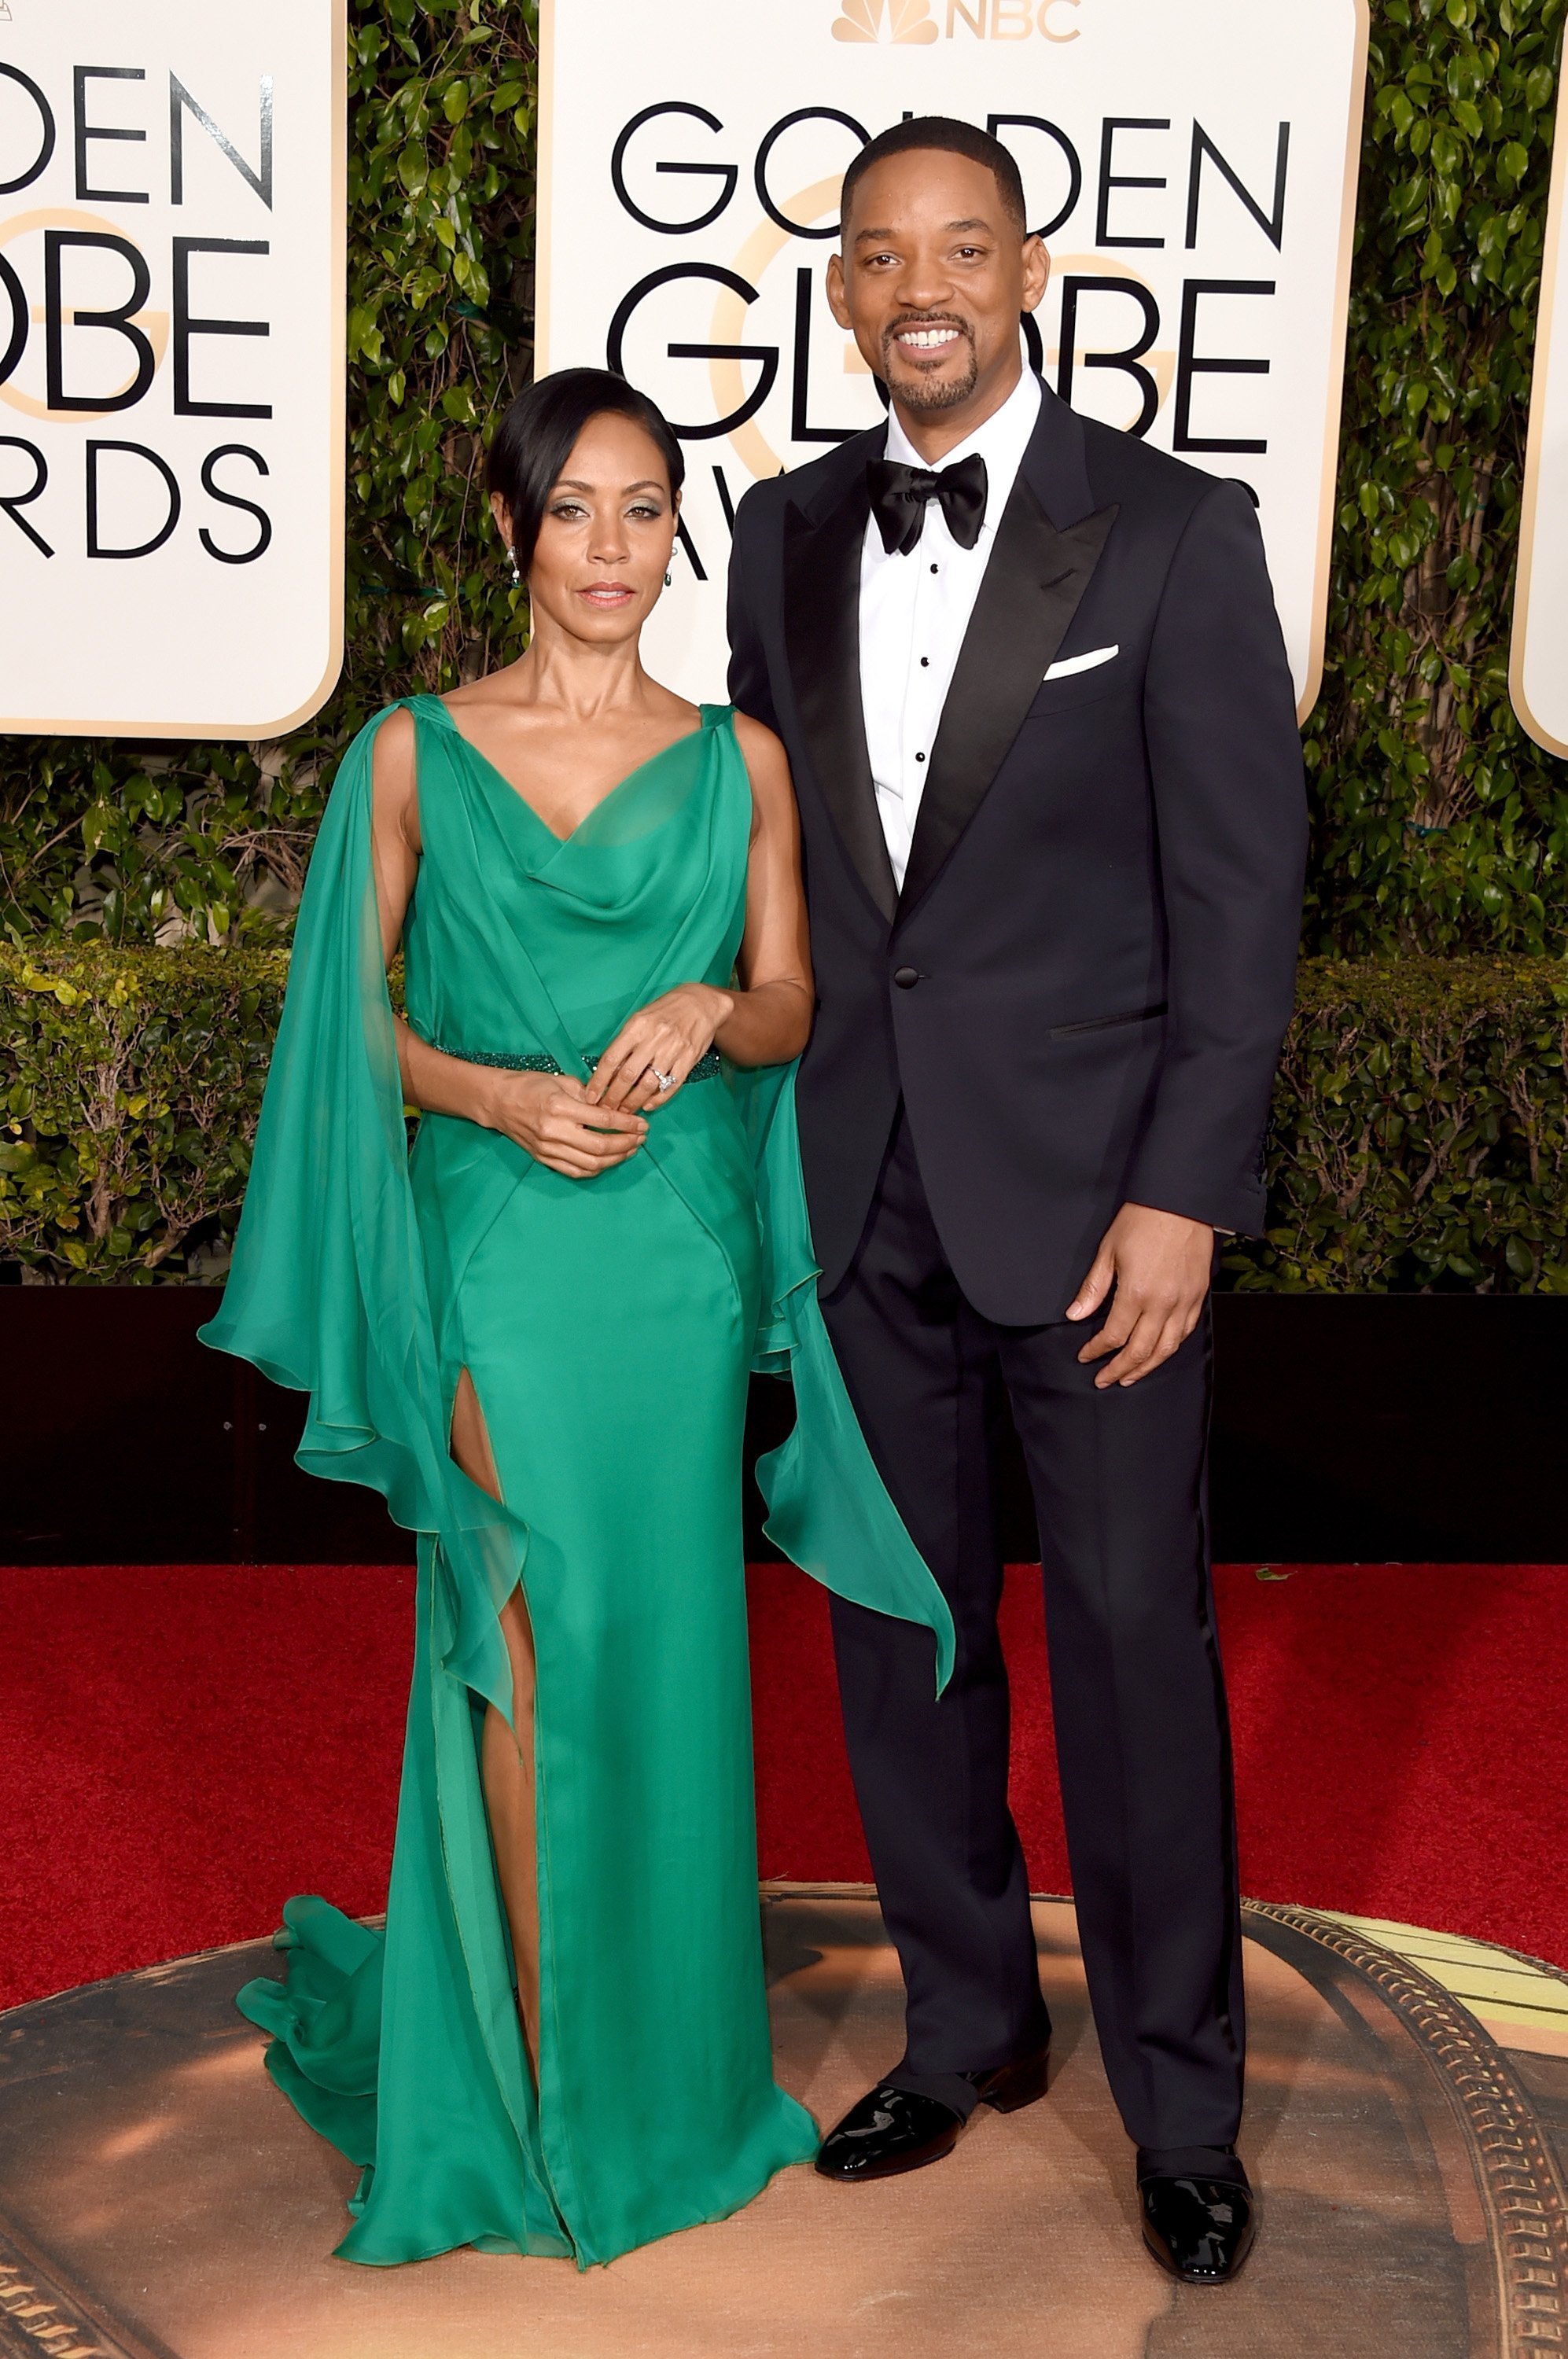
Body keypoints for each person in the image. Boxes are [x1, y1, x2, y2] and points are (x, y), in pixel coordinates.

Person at [200, 366, 951, 2269]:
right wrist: (482, 1091)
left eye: (641, 511)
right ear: (514, 531)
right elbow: (342, 1031)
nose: (608, 551)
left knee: (666, 1646)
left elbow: (791, 1004)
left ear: (672, 534)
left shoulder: (740, 761)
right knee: (525, 1637)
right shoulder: (410, 751)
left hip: (676, 1262)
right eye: (573, 512)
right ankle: (543, 2084)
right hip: (498, 1250)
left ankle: (669, 2072)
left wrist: (710, 1013)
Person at [727, 116, 1308, 2284]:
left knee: (1136, 1648)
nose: (921, 286)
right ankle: (968, 2026)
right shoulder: (783, 533)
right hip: (857, 1185)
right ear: (843, 290)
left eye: (962, 246)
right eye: (881, 254)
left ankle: (1182, 2098)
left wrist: (1185, 1197)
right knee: (903, 1637)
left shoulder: (1167, 531)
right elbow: (778, 866)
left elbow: (1244, 892)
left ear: (1032, 270)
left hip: (1098, 1223)